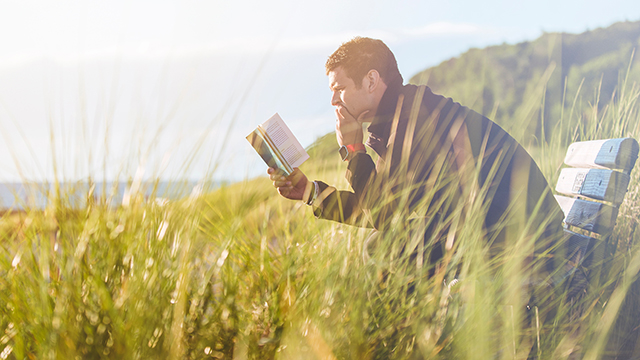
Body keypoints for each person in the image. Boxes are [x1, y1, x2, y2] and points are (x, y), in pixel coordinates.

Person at [268, 37, 564, 284]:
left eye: (339, 89)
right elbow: (383, 207)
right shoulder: (402, 115)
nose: (334, 102)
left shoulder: (415, 120)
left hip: (526, 244)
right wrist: (310, 191)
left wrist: (355, 149)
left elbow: (382, 215)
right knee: (390, 244)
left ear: (371, 80)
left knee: (385, 247)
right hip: (504, 233)